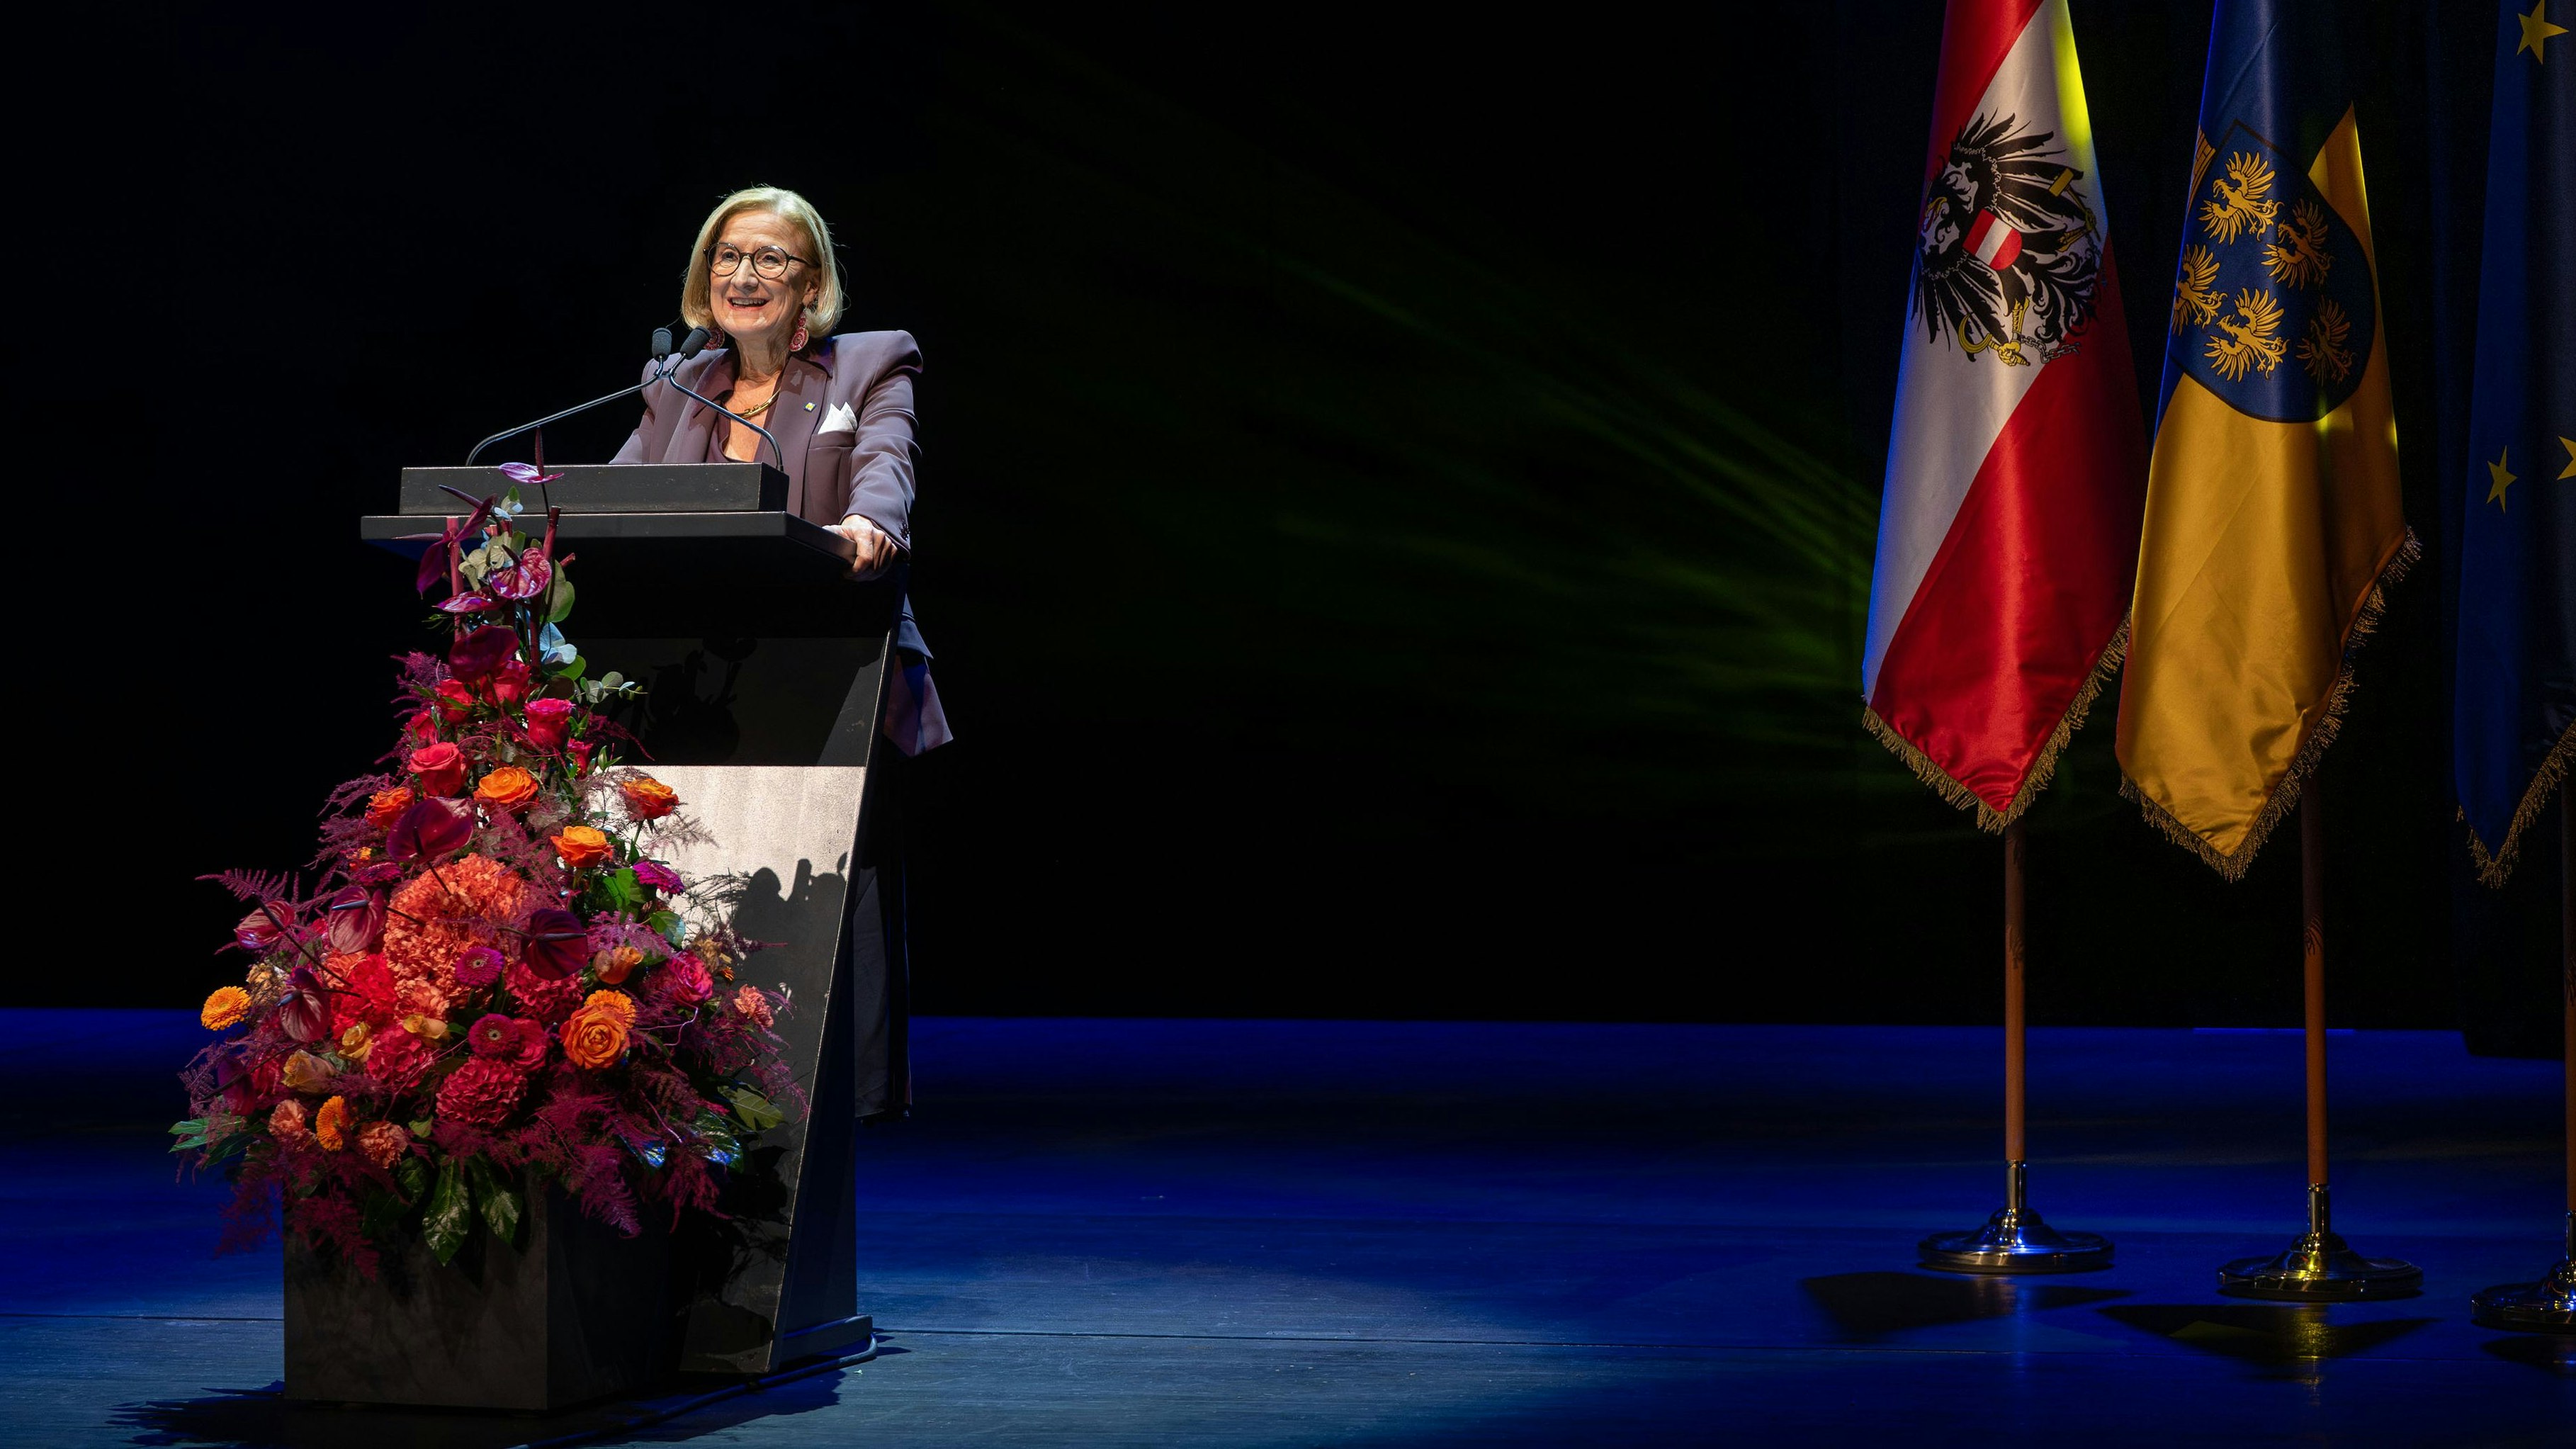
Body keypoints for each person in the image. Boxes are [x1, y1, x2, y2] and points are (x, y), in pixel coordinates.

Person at [614, 184, 949, 755]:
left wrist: (870, 522)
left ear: (810, 286)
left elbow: (885, 460)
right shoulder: (674, 379)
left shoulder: (872, 363)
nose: (743, 278)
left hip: (840, 664)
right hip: (685, 696)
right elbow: (614, 497)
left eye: (769, 259)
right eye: (727, 256)